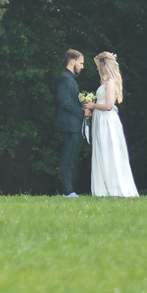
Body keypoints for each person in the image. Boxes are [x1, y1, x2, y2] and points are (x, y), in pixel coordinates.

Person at [85, 50, 139, 197]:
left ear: (104, 65)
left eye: (98, 65)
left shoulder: (110, 83)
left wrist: (93, 106)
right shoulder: (105, 82)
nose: (97, 68)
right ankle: (103, 187)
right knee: (102, 150)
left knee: (110, 150)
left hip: (107, 120)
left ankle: (114, 188)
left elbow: (108, 105)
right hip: (100, 119)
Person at [53, 49, 88, 195]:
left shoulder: (70, 79)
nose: (82, 66)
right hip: (69, 125)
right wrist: (82, 112)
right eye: (81, 63)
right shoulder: (66, 79)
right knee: (68, 157)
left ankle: (70, 189)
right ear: (72, 62)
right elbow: (65, 102)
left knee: (72, 157)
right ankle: (67, 190)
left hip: (73, 124)